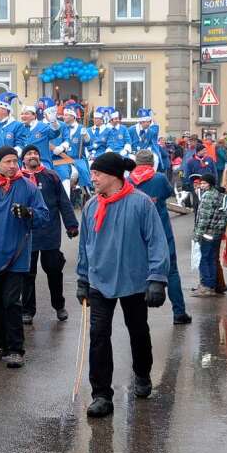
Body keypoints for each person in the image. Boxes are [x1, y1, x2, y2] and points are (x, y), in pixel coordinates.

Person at [76, 152, 169, 419]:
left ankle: (142, 374)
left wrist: (157, 279)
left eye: (97, 174)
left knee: (138, 331)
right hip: (99, 281)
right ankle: (102, 394)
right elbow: (85, 246)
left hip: (135, 281)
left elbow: (156, 242)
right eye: (92, 173)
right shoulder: (92, 206)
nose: (92, 178)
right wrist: (83, 278)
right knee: (99, 336)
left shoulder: (141, 204)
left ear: (115, 177)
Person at [0, 146, 49, 368]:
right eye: (7, 161)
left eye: (14, 161)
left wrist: (29, 213)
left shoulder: (27, 187)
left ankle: (16, 348)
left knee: (11, 302)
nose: (12, 165)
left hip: (16, 256)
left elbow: (43, 215)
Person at [130, 150, 191, 325]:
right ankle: (179, 312)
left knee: (139, 272)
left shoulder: (129, 181)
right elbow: (167, 193)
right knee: (171, 271)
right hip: (162, 230)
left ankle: (138, 317)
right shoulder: (159, 178)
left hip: (138, 232)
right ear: (151, 163)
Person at [20, 144, 78, 324]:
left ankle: (59, 306)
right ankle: (27, 310)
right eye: (29, 153)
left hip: (49, 233)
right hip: (26, 234)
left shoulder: (51, 176)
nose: (33, 156)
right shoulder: (18, 179)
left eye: (36, 153)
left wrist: (71, 225)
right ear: (23, 159)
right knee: (27, 274)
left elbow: (64, 202)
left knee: (54, 270)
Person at [192, 173, 226, 297]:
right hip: (217, 232)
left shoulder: (207, 196)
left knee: (204, 258)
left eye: (204, 183)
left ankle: (206, 285)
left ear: (210, 184)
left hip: (207, 233)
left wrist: (197, 234)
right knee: (212, 258)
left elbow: (203, 218)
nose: (202, 185)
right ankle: (211, 285)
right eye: (201, 183)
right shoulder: (220, 195)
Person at [17, 99, 61, 167]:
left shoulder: (42, 126)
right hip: (24, 165)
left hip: (42, 163)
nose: (23, 116)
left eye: (26, 114)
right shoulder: (20, 128)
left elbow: (55, 133)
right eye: (22, 114)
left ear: (34, 116)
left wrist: (53, 121)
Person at [58, 104, 92, 195]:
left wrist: (85, 135)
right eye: (63, 115)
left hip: (78, 158)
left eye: (66, 115)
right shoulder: (61, 128)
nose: (63, 117)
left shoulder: (81, 128)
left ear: (73, 116)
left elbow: (88, 143)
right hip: (64, 158)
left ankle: (86, 192)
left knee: (83, 170)